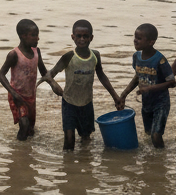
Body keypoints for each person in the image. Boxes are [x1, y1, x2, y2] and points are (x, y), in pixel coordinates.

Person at [38, 20, 122, 151]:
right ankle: (69, 168)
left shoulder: (95, 56)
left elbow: (101, 75)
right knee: (69, 140)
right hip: (69, 103)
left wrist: (115, 96)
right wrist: (54, 85)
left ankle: (85, 165)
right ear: (73, 37)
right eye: (78, 36)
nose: (82, 39)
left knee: (86, 139)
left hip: (87, 104)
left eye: (85, 36)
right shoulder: (69, 56)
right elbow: (49, 75)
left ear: (91, 38)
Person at [0, 19, 60, 141]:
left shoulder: (37, 52)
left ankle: (27, 153)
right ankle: (19, 155)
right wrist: (14, 93)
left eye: (38, 35)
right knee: (24, 125)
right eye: (34, 35)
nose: (37, 38)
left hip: (31, 96)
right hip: (17, 96)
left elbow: (43, 72)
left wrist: (53, 84)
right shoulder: (14, 54)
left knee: (31, 129)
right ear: (23, 36)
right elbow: (1, 75)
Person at [118, 23, 175, 148]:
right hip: (146, 103)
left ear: (150, 42)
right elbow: (138, 77)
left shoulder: (160, 60)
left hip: (161, 103)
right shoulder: (136, 57)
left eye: (139, 38)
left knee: (156, 136)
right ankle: (151, 163)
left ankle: (161, 161)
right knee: (148, 135)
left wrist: (149, 88)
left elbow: (172, 82)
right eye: (135, 37)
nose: (135, 40)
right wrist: (123, 95)